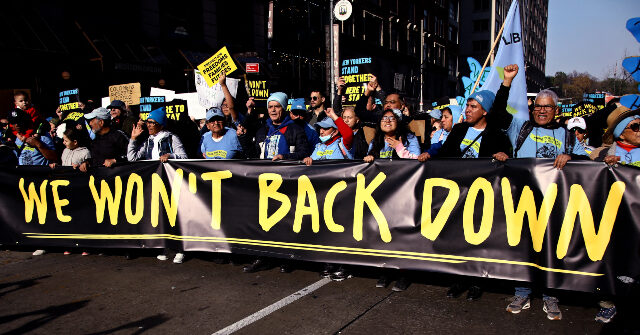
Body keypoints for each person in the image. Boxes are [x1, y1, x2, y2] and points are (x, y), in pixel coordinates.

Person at [493, 64, 589, 321]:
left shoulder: (567, 136)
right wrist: (507, 82)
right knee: (524, 248)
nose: (541, 110)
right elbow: (497, 115)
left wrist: (572, 156)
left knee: (552, 249)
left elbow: (588, 163)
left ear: (556, 110)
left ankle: (549, 295)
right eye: (537, 106)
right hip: (524, 203)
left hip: (555, 205)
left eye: (547, 107)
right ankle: (522, 291)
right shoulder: (521, 128)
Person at [588, 105, 640, 324]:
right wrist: (603, 165)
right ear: (620, 132)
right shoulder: (602, 154)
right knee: (610, 262)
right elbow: (586, 180)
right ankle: (607, 303)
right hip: (612, 221)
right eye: (635, 126)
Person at [50, 127, 91, 256]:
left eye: (66, 140)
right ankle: (69, 244)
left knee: (81, 218)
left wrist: (82, 166)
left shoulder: (85, 152)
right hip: (66, 189)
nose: (63, 142)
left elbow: (89, 166)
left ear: (75, 142)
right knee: (68, 218)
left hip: (80, 190)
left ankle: (85, 245)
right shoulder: (65, 151)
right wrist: (56, 166)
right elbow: (63, 165)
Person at [238, 92, 309, 161]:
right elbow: (253, 155)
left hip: (286, 171)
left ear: (283, 108)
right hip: (265, 171)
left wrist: (284, 157)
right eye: (270, 107)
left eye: (277, 106)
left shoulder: (296, 129)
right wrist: (243, 137)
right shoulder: (262, 130)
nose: (273, 110)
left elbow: (304, 153)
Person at [79, 107, 129, 172]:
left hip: (118, 178)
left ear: (101, 122)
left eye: (92, 120)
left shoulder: (119, 136)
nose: (90, 123)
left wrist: (115, 160)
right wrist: (86, 162)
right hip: (100, 179)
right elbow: (95, 159)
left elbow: (132, 156)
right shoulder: (96, 139)